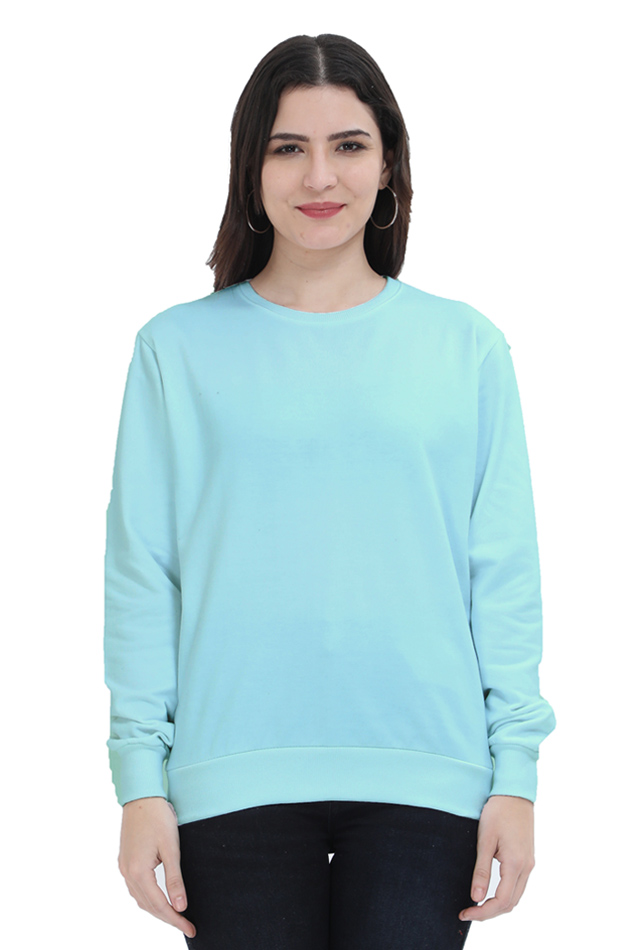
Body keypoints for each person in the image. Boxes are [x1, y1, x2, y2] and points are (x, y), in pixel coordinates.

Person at [104, 33, 556, 950]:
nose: (320, 175)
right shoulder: (174, 350)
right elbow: (142, 574)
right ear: (251, 167)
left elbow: (502, 571)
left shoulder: (465, 346)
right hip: (229, 779)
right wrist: (139, 783)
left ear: (388, 165)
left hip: (428, 776)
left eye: (348, 145)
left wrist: (515, 773)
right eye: (288, 147)